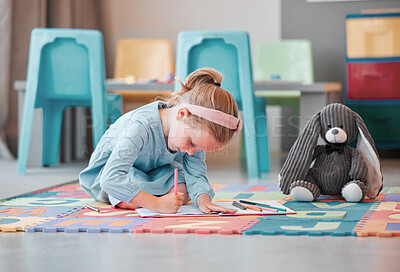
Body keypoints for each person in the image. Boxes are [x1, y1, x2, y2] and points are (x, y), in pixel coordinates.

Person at [79, 68, 241, 214]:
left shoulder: (192, 132)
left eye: (199, 148)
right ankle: (145, 198)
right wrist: (155, 203)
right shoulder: (140, 126)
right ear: (182, 114)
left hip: (154, 170)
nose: (192, 151)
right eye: (192, 143)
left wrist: (204, 200)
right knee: (123, 187)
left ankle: (146, 196)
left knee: (183, 191)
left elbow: (196, 172)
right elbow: (110, 178)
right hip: (112, 173)